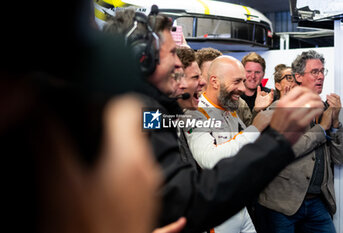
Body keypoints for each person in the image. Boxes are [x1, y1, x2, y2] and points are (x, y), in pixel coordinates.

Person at [103, 8, 325, 232]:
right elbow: (191, 196)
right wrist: (275, 139)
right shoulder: (144, 115)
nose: (179, 65)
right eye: (172, 54)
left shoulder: (154, 110)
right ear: (143, 57)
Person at [256, 50, 343, 233]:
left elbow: (340, 157)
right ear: (298, 76)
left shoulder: (327, 108)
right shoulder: (279, 107)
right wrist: (321, 128)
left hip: (317, 203)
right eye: (314, 72)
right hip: (282, 204)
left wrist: (336, 123)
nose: (320, 76)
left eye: (322, 71)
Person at [184, 55, 275, 233]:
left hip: (238, 205)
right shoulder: (194, 113)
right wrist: (255, 128)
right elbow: (210, 160)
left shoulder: (229, 109)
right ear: (215, 82)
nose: (242, 88)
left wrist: (258, 115)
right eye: (237, 81)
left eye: (243, 81)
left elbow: (243, 148)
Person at [195, 47, 253, 126]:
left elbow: (249, 132)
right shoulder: (191, 108)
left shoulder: (236, 103)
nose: (242, 88)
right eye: (211, 72)